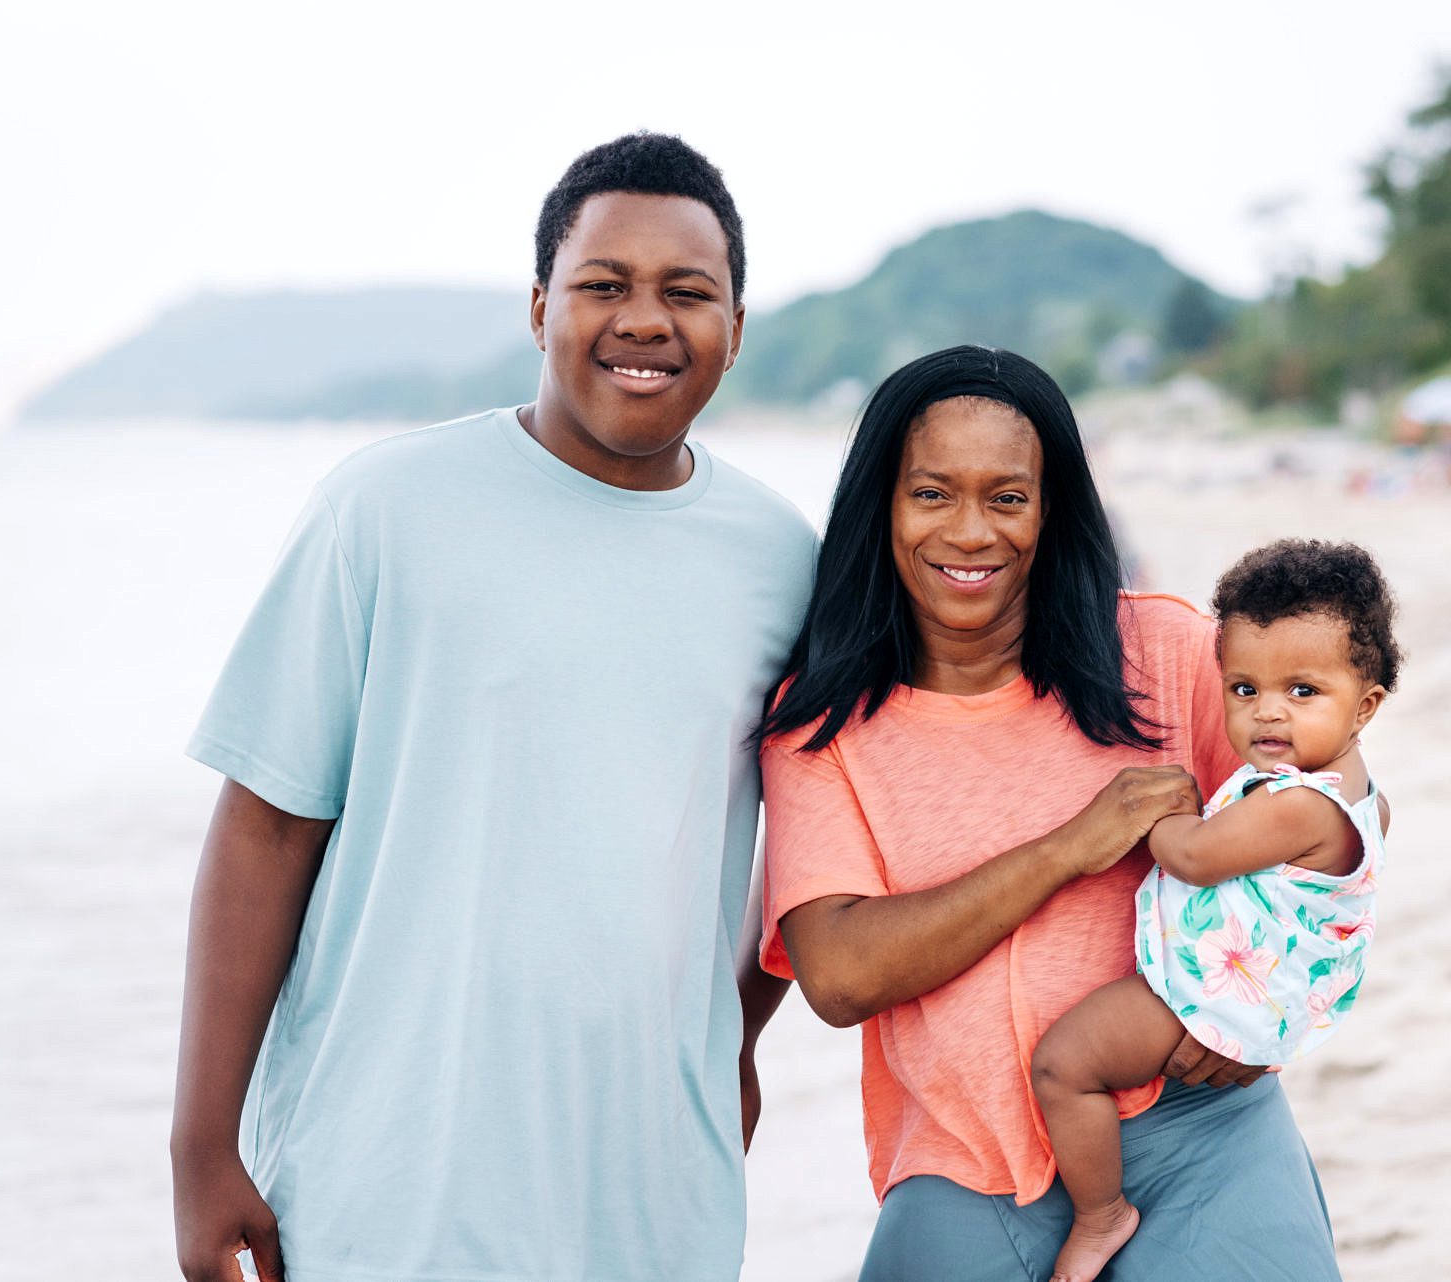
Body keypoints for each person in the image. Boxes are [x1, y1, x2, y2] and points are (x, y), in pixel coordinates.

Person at [170, 133, 818, 1282]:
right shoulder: (384, 509)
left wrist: (740, 1033)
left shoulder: (782, 560)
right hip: (387, 1178)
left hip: (650, 1192)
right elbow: (267, 826)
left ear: (736, 326)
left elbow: (818, 847)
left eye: (686, 292)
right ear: (537, 308)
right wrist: (199, 1147)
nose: (643, 320)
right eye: (603, 285)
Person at [757, 346, 1342, 1280]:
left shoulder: (1170, 652)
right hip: (963, 1164)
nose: (971, 532)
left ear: (1052, 510)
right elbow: (838, 974)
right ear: (882, 506)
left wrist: (1259, 1003)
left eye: (1007, 498)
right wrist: (1070, 848)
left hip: (1194, 1131)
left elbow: (1330, 816)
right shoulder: (822, 726)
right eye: (933, 494)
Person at [1032, 540, 1401, 1281]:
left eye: (1303, 692)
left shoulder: (1301, 804)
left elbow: (1194, 857)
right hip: (1254, 985)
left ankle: (1102, 1214)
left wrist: (1155, 805)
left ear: (1365, 704)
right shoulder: (1354, 792)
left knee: (1064, 1065)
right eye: (1243, 689)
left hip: (1216, 995)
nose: (1268, 713)